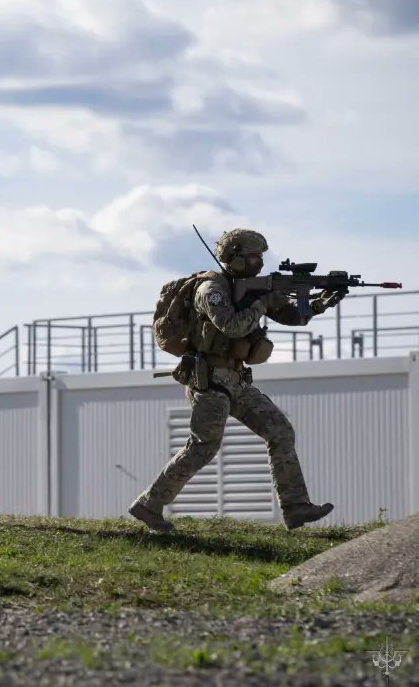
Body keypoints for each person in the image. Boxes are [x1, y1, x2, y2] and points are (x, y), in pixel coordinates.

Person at [129, 228, 341, 532]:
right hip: (209, 380)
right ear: (235, 258)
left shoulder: (247, 288)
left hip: (236, 379)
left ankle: (295, 507)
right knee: (203, 447)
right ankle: (149, 504)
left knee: (279, 431)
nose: (259, 262)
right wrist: (263, 303)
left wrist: (317, 303)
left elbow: (293, 316)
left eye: (261, 257)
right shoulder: (210, 290)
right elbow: (230, 325)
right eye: (254, 257)